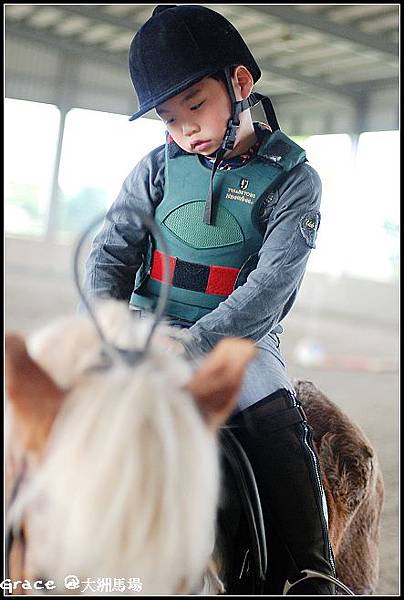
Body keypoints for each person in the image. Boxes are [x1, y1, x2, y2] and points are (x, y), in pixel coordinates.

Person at [84, 4, 336, 595]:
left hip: (240, 343)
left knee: (273, 420)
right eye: (168, 120)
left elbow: (269, 288)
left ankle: (306, 569)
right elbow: (111, 254)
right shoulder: (155, 169)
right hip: (144, 326)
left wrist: (194, 345)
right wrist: (107, 325)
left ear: (240, 84)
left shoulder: (295, 180)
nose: (184, 131)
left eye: (194, 107)